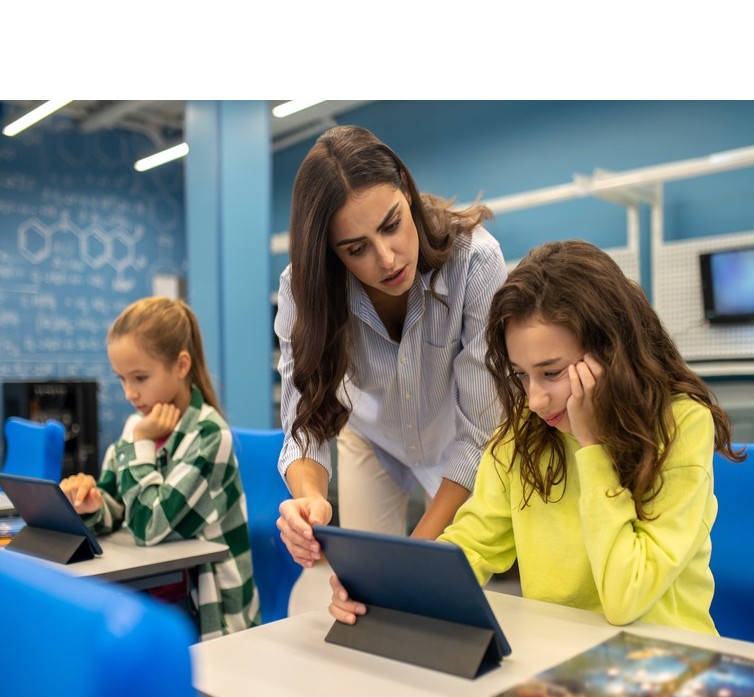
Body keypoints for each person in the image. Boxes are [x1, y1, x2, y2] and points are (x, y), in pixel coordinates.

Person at [330, 240, 745, 634]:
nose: (534, 400)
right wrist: (383, 588)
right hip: (561, 657)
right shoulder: (523, 435)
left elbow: (626, 598)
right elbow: (471, 544)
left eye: (551, 372)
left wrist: (593, 447)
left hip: (667, 657)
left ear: (612, 352)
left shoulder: (681, 425)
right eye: (521, 375)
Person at [276, 125, 507, 567]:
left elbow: (480, 434)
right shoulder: (302, 290)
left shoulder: (476, 261)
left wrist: (406, 561)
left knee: (448, 579)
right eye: (356, 249)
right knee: (367, 580)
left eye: (392, 225)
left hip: (459, 441)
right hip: (373, 436)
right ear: (331, 253)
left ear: (405, 188)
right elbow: (303, 421)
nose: (386, 259)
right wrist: (309, 499)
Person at [59, 296, 261, 640]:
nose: (129, 394)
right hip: (159, 596)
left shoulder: (208, 434)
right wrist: (93, 506)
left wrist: (140, 441)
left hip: (212, 614)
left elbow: (149, 527)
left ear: (181, 365)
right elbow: (119, 506)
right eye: (122, 379)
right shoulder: (138, 426)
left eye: (140, 378)